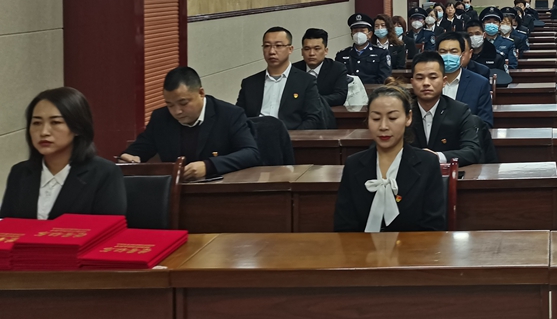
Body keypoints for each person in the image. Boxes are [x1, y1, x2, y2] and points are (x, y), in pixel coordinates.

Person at [333, 83, 445, 232]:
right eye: (376, 118)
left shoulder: (427, 163)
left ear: (408, 118)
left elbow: (434, 227)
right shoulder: (353, 164)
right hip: (363, 246)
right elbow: (344, 227)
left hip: (414, 246)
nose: (383, 126)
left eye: (392, 118)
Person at [1, 87, 126, 219]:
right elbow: (7, 226)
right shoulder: (20, 173)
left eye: (55, 122)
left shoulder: (104, 173)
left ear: (77, 128)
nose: (44, 132)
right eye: (37, 123)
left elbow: (108, 227)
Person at [120, 67, 260, 179]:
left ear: (201, 93)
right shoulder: (161, 118)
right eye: (170, 105)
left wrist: (209, 166)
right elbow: (138, 150)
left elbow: (251, 153)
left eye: (183, 103)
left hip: (220, 190)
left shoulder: (229, 115)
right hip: (175, 192)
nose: (177, 111)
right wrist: (129, 157)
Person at [237, 26, 324, 130]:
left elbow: (314, 119)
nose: (272, 51)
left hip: (290, 136)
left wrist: (292, 136)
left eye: (278, 46)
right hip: (255, 136)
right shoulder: (250, 83)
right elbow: (239, 117)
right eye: (267, 46)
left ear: (290, 49)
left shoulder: (305, 81)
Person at [409, 52, 484, 165]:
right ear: (412, 82)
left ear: (444, 81)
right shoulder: (403, 112)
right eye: (420, 78)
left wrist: (438, 157)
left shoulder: (459, 111)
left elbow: (473, 151)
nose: (426, 83)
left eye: (433, 77)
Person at [436, 32, 494, 128]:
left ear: (462, 55)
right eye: (443, 52)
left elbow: (485, 122)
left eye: (453, 51)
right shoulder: (428, 81)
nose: (448, 56)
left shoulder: (479, 84)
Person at [335, 13, 393, 85]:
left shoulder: (381, 53)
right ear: (351, 34)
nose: (358, 34)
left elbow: (384, 78)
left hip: (373, 90)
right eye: (355, 31)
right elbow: (338, 77)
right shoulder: (342, 55)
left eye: (362, 31)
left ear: (370, 34)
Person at [298, 28, 350, 106]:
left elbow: (340, 96)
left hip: (326, 111)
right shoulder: (294, 69)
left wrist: (313, 101)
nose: (311, 53)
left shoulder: (337, 68)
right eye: (307, 49)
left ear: (326, 51)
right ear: (302, 52)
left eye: (317, 49)